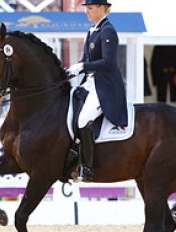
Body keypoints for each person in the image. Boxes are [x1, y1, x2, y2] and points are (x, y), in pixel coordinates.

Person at [66, 0, 128, 181]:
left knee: (83, 120)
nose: (87, 12)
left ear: (102, 9)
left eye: (91, 8)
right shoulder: (92, 31)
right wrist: (71, 71)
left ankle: (87, 166)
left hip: (105, 86)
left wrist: (82, 66)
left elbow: (108, 63)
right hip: (89, 83)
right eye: (86, 8)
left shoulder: (108, 30)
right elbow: (85, 59)